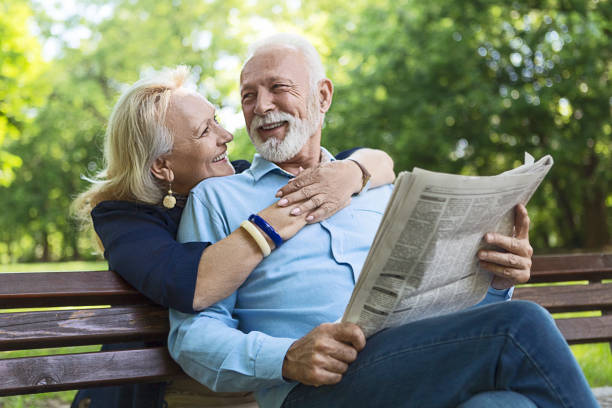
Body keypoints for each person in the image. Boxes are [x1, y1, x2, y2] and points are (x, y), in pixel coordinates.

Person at [168, 33, 598, 408]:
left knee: (505, 404)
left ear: (323, 97)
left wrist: (497, 283)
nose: (261, 106)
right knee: (521, 325)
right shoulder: (219, 198)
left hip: (418, 371)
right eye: (248, 95)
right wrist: (286, 357)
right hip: (316, 392)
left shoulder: (379, 190)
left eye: (278, 88)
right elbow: (192, 335)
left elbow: (442, 308)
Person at [70, 65, 396, 408]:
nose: (226, 135)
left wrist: (351, 172)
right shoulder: (124, 219)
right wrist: (294, 208)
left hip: (241, 378)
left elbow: (381, 161)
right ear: (162, 167)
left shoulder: (235, 177)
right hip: (154, 390)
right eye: (204, 131)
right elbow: (195, 285)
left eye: (217, 119)